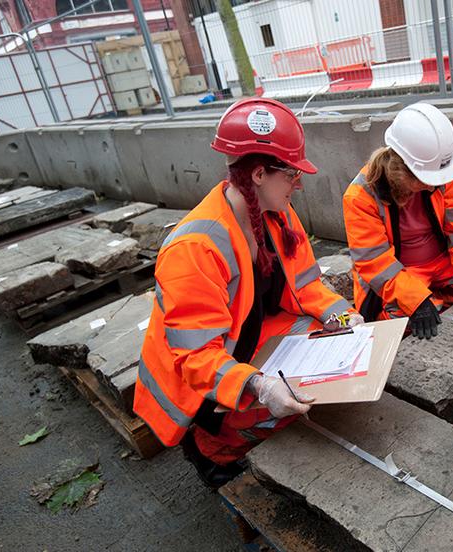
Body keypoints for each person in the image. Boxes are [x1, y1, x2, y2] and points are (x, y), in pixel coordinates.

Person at [133, 98, 360, 488]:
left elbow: (306, 285)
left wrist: (342, 317)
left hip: (248, 343)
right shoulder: (194, 248)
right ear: (258, 174)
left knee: (319, 367)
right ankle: (210, 449)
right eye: (290, 173)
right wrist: (259, 385)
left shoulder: (277, 212)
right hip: (201, 383)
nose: (299, 182)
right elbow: (197, 357)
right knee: (280, 404)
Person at [342, 102, 453, 339]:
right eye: (423, 179)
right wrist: (415, 300)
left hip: (443, 261)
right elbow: (375, 264)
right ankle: (431, 297)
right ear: (399, 170)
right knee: (398, 317)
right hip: (401, 271)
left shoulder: (445, 175)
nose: (433, 185)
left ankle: (438, 297)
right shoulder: (360, 196)